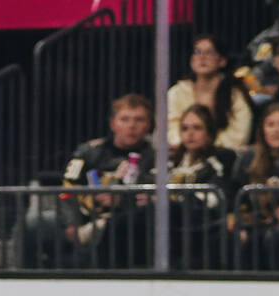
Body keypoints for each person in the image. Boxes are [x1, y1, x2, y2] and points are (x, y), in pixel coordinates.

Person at [56, 94, 157, 268]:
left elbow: (153, 196)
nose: (132, 126)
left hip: (130, 223)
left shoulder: (157, 157)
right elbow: (67, 189)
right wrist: (71, 222)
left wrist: (122, 200)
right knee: (33, 223)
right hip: (84, 218)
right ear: (113, 124)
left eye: (139, 120)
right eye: (124, 119)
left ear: (148, 125)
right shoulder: (88, 152)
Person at [166, 104, 236, 268]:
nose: (190, 134)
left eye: (197, 128)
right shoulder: (171, 162)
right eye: (185, 128)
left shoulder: (222, 158)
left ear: (209, 132)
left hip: (203, 221)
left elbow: (219, 194)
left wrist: (183, 199)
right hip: (173, 223)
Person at [166, 35, 252, 150]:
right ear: (191, 60)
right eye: (197, 52)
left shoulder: (235, 95)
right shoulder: (177, 92)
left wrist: (207, 148)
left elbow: (238, 134)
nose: (202, 57)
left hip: (222, 154)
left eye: (209, 52)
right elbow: (170, 129)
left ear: (222, 61)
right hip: (182, 153)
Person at [234, 102, 279, 269]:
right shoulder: (249, 158)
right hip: (258, 224)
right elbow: (235, 194)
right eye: (270, 124)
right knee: (249, 239)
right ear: (262, 129)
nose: (276, 130)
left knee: (276, 237)